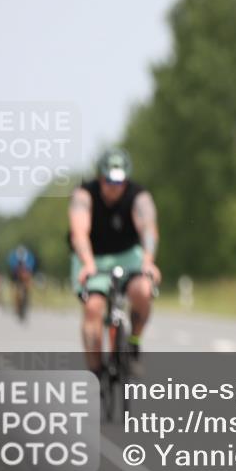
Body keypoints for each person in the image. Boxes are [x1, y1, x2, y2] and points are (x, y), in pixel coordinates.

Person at [68, 147, 161, 378]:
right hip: (93, 258)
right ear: (100, 177)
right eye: (109, 180)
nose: (114, 186)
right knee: (93, 308)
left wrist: (148, 261)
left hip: (128, 255)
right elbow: (79, 233)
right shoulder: (84, 195)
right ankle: (96, 371)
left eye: (119, 181)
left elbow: (148, 230)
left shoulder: (139, 196)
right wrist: (88, 263)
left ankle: (133, 342)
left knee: (143, 290)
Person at [7, 244, 37, 320]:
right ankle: (16, 306)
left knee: (28, 286)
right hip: (16, 277)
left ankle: (27, 303)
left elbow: (31, 266)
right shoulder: (14, 258)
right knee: (15, 291)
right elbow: (12, 266)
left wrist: (27, 271)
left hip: (25, 276)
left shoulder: (28, 257)